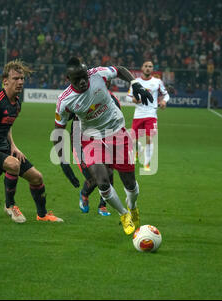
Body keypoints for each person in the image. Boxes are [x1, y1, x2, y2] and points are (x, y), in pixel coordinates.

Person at [53, 57, 153, 235]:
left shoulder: (97, 74)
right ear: (68, 80)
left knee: (130, 183)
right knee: (103, 181)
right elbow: (59, 130)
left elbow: (120, 69)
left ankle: (133, 206)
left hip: (117, 133)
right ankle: (124, 215)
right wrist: (62, 161)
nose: (84, 81)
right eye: (77, 79)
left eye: (84, 76)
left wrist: (136, 84)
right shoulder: (64, 101)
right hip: (91, 139)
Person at [0, 59, 63, 223]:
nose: (20, 82)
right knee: (13, 165)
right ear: (5, 81)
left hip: (3, 147)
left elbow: (7, 125)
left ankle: (42, 215)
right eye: (15, 78)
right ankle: (10, 206)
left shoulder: (16, 103)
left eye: (22, 79)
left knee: (37, 177)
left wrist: (14, 146)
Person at [64, 80, 121, 217]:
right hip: (81, 141)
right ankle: (84, 194)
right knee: (94, 177)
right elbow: (66, 116)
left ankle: (103, 205)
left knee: (109, 173)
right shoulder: (80, 97)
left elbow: (115, 120)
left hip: (104, 139)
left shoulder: (113, 99)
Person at [126, 60, 169, 171]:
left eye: (150, 66)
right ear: (142, 68)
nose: (148, 68)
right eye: (146, 66)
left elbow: (166, 94)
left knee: (149, 139)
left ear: (152, 69)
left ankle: (147, 163)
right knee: (132, 140)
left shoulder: (157, 82)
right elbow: (128, 97)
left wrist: (164, 101)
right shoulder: (135, 82)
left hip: (151, 114)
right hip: (138, 114)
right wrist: (134, 100)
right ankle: (139, 150)